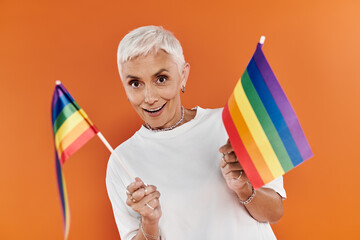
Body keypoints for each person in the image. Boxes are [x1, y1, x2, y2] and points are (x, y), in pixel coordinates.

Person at [106, 25, 286, 240]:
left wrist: (244, 188)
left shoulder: (231, 123)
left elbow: (274, 213)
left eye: (161, 79)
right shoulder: (122, 159)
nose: (149, 97)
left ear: (183, 75)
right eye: (135, 83)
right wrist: (150, 222)